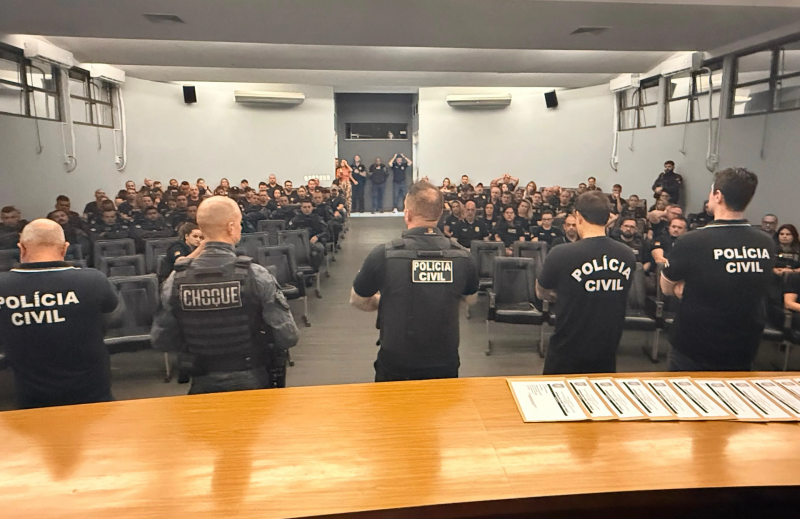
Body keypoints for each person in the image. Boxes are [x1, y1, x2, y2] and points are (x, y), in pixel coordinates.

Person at [151, 196, 299, 394]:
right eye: (239, 223)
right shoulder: (256, 275)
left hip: (201, 380)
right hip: (251, 378)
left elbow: (162, 340)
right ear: (231, 227)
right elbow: (287, 337)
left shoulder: (176, 280)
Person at [350, 181, 479, 381]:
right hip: (444, 361)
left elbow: (357, 299)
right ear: (440, 214)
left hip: (396, 363)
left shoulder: (383, 255)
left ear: (407, 214)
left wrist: (384, 301)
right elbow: (470, 299)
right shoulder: (463, 257)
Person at [661, 167, 776, 371]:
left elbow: (666, 287)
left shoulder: (692, 241)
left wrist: (688, 287)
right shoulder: (766, 243)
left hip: (695, 347)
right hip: (743, 347)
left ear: (718, 196)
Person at [0, 219, 120, 409]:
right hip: (93, 396)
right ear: (64, 248)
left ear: (21, 248)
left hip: (32, 400)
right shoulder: (93, 280)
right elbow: (113, 313)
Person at [536, 191, 636, 375]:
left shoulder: (561, 253)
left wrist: (565, 293)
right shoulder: (627, 255)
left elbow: (541, 291)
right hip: (606, 352)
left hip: (566, 351)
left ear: (579, 217)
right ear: (608, 218)